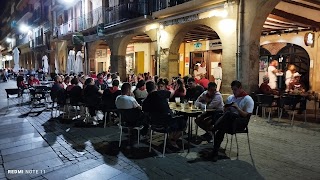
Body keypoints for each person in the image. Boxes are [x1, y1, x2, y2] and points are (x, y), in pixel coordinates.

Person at [211, 80, 254, 162]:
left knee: (229, 115)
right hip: (228, 122)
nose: (234, 92)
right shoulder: (231, 98)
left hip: (240, 122)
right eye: (232, 90)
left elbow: (246, 115)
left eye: (235, 89)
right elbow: (224, 110)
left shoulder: (248, 99)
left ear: (240, 88)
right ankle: (215, 152)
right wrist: (226, 109)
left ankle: (214, 127)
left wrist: (237, 108)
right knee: (219, 114)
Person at [143, 81, 187, 148]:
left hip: (154, 124)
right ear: (156, 87)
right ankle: (172, 140)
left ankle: (170, 138)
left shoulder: (145, 101)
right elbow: (172, 93)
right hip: (166, 124)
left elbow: (146, 113)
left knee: (172, 119)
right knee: (184, 123)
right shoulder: (160, 93)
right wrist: (173, 88)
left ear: (146, 89)